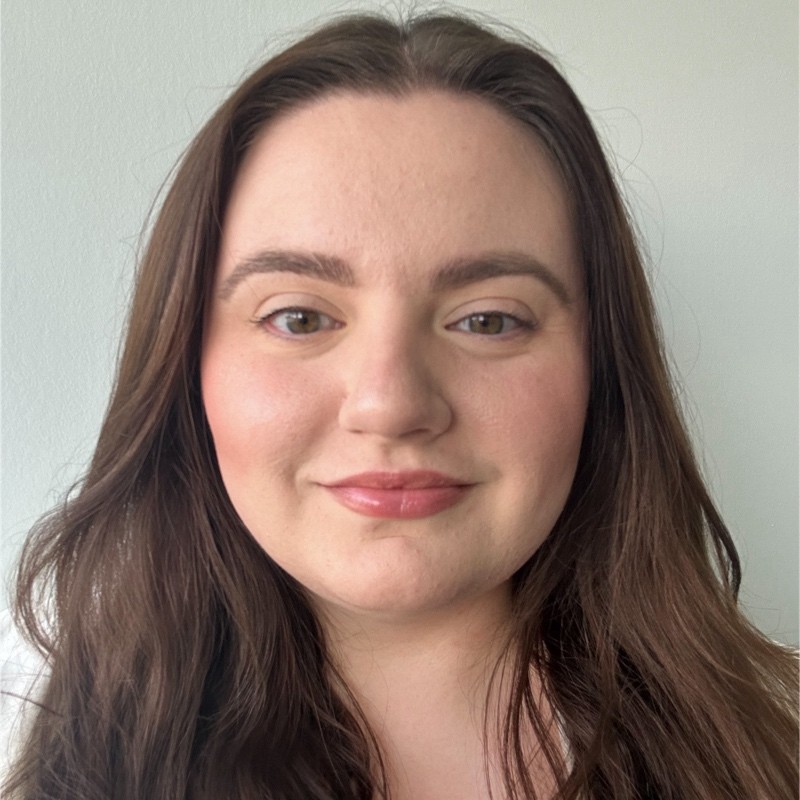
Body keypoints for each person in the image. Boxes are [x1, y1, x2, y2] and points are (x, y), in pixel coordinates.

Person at [2, 11, 797, 800]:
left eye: (488, 321)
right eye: (299, 317)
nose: (390, 404)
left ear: (602, 368)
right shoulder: (39, 743)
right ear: (186, 369)